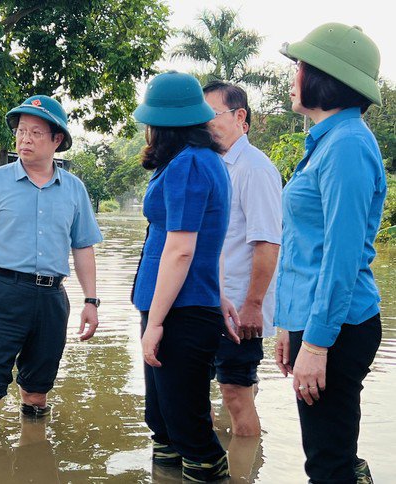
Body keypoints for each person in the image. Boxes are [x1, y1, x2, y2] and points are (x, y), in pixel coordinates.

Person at [274, 23, 386, 484]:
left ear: (323, 77)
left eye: (299, 67)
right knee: (328, 452)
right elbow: (303, 249)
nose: (293, 76)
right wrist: (288, 325)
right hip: (316, 320)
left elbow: (339, 259)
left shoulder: (346, 146)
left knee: (328, 463)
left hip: (337, 328)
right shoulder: (326, 143)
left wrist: (316, 342)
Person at [0, 95, 103, 432]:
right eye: (21, 131)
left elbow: (83, 248)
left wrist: (91, 301)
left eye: (36, 132)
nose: (25, 139)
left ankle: (34, 456)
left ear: (57, 140)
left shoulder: (74, 190)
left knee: (37, 393)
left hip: (52, 298)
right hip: (5, 292)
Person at [132, 71, 240, 482]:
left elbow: (181, 250)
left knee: (188, 430)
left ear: (158, 124)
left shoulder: (190, 164)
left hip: (179, 311)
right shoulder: (198, 160)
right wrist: (219, 295)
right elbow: (210, 239)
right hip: (185, 304)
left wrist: (156, 323)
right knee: (163, 421)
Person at [203, 81, 282, 436]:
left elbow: (267, 243)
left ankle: (243, 474)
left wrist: (253, 304)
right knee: (198, 389)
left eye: (212, 114)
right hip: (207, 301)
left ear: (240, 117)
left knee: (236, 393)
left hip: (238, 306)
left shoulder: (255, 168)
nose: (205, 123)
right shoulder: (216, 165)